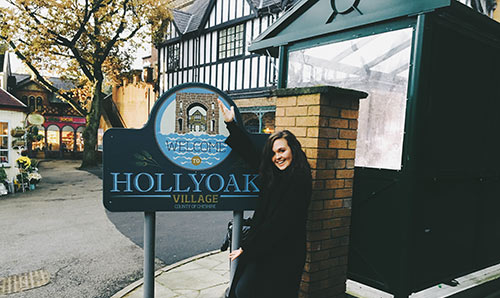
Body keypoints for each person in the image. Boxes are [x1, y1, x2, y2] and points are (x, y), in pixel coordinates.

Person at [218, 100, 312, 298]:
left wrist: (248, 248)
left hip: (284, 253)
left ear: (293, 150)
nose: (277, 157)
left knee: (250, 291)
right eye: (273, 153)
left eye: (282, 151)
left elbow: (281, 222)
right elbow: (251, 155)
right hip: (265, 247)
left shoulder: (299, 179)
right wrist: (231, 124)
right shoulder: (274, 175)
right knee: (242, 290)